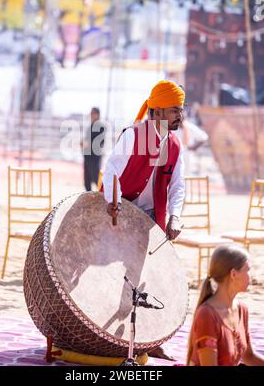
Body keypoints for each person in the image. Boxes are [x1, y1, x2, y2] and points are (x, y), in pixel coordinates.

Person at [102, 80, 186, 359]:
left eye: (180, 110)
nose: (180, 116)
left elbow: (177, 185)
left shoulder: (175, 145)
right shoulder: (133, 135)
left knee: (150, 280)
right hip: (121, 211)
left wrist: (175, 216)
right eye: (175, 110)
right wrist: (113, 202)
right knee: (113, 277)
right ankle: (101, 335)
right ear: (159, 111)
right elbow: (112, 169)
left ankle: (149, 342)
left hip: (152, 219)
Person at [187, 244, 264, 366]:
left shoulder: (241, 309)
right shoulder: (207, 315)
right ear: (234, 274)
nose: (251, 276)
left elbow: (249, 357)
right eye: (248, 270)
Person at [80, 107, 105, 191]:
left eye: (94, 113)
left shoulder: (101, 127)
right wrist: (83, 143)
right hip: (87, 156)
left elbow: (100, 142)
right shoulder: (90, 127)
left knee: (96, 178)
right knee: (86, 180)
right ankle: (89, 199)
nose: (92, 115)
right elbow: (86, 140)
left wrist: (88, 143)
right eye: (91, 113)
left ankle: (103, 196)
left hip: (95, 157)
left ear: (98, 114)